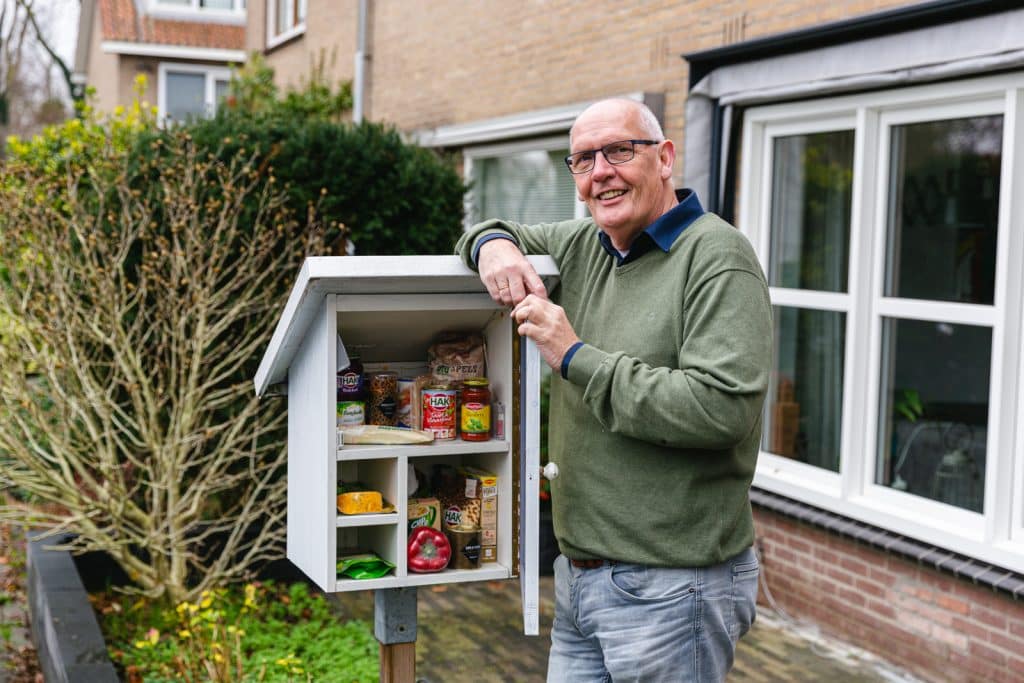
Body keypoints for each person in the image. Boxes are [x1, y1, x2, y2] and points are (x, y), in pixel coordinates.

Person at [456, 98, 772, 682]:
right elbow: (491, 229)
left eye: (620, 151)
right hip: (580, 578)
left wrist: (573, 356)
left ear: (665, 158)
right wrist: (492, 245)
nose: (601, 171)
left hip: (673, 587)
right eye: (582, 159)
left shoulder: (717, 256)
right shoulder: (585, 245)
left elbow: (721, 409)